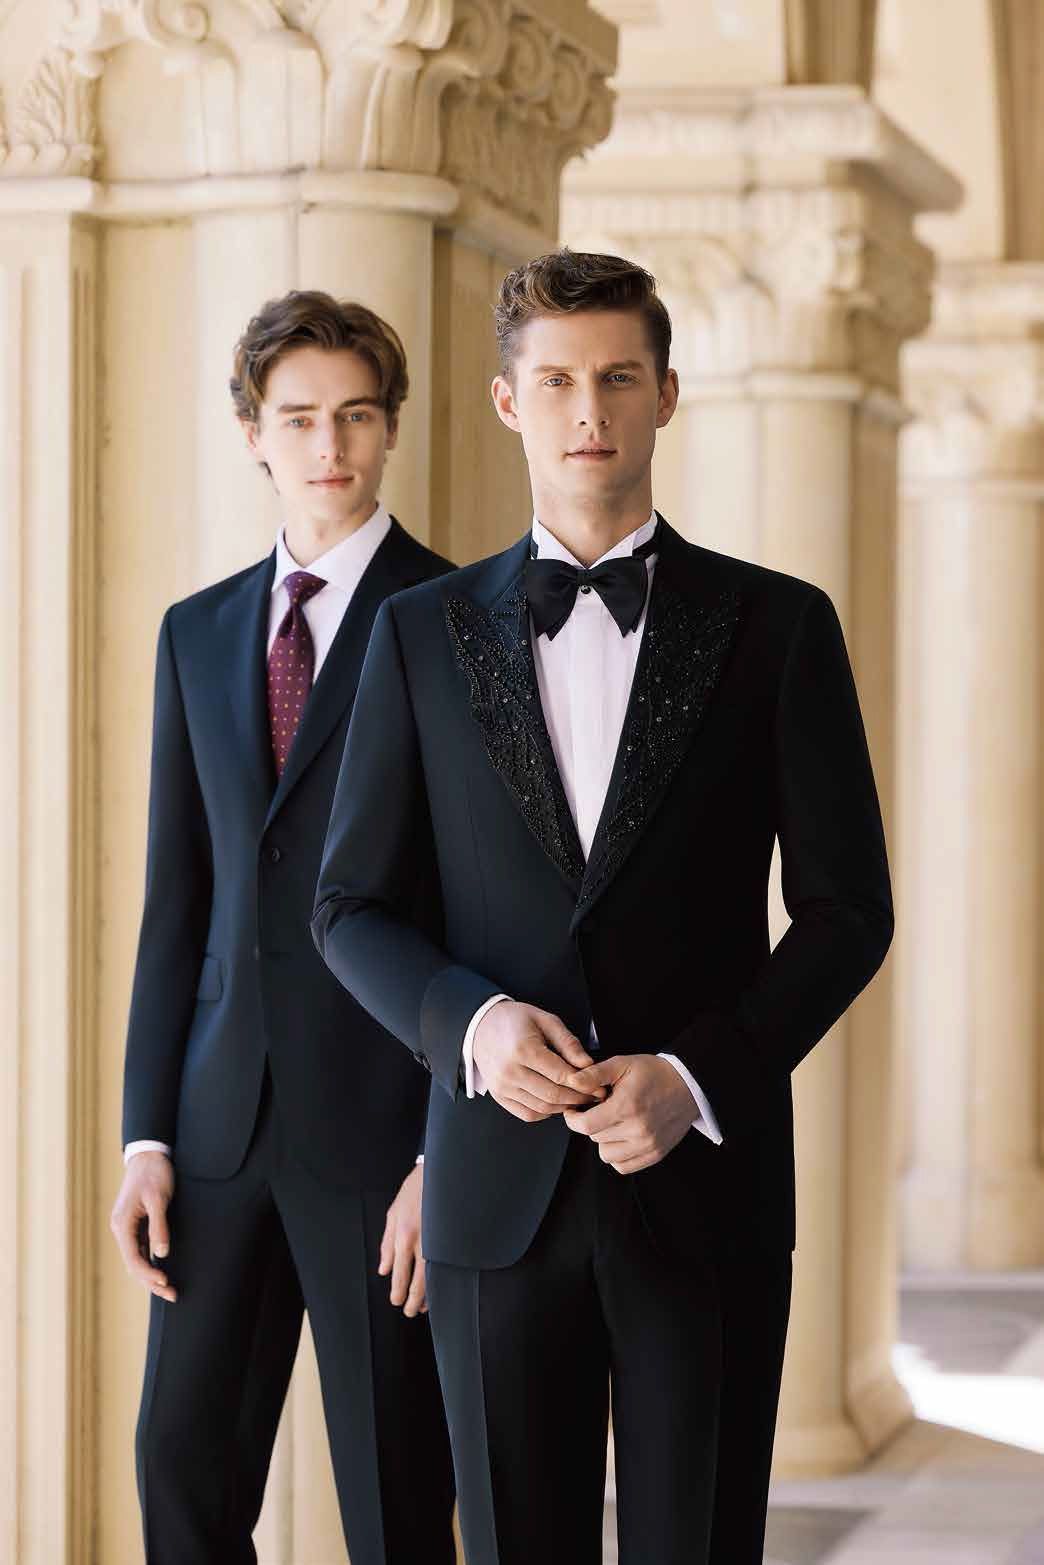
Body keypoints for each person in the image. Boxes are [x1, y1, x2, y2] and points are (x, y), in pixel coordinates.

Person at [312, 251, 894, 1565]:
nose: (591, 410)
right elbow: (348, 906)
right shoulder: (416, 635)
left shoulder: (779, 626)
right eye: (560, 381)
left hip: (706, 1191)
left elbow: (849, 909)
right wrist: (472, 1026)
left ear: (667, 393)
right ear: (509, 401)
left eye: (621, 377)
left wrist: (697, 1074)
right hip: (492, 1196)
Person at [110, 291, 456, 1565]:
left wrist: (443, 1150)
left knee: (396, 1499)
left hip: (383, 1135)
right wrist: (147, 1134)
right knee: (179, 1473)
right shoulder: (197, 632)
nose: (331, 445)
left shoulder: (456, 616)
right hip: (216, 1136)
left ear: (391, 426)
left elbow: (482, 912)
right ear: (253, 432)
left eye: (357, 415)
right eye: (300, 418)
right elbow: (178, 902)